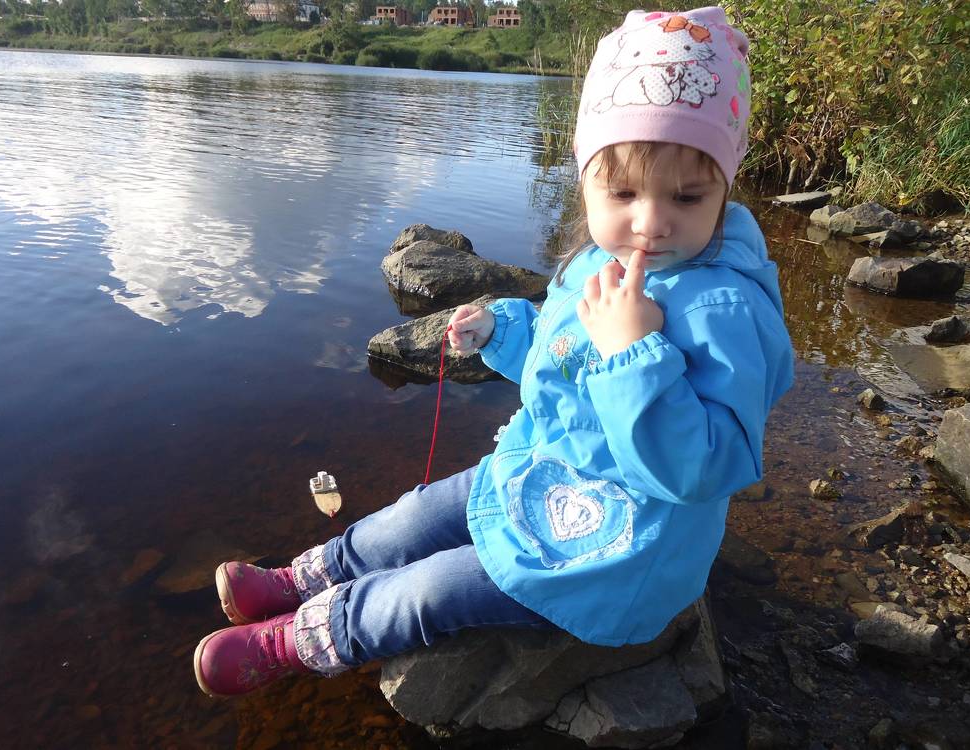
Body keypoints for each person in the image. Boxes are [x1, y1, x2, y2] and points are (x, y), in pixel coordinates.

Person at [193, 5, 794, 698]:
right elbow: (560, 353)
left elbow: (706, 469)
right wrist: (503, 333)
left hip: (616, 550)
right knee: (417, 513)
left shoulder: (726, 311)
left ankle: (297, 640)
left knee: (431, 590)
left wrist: (633, 353)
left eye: (687, 196)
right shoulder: (594, 261)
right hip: (542, 470)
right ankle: (305, 578)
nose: (651, 221)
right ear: (586, 179)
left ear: (724, 187)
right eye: (624, 191)